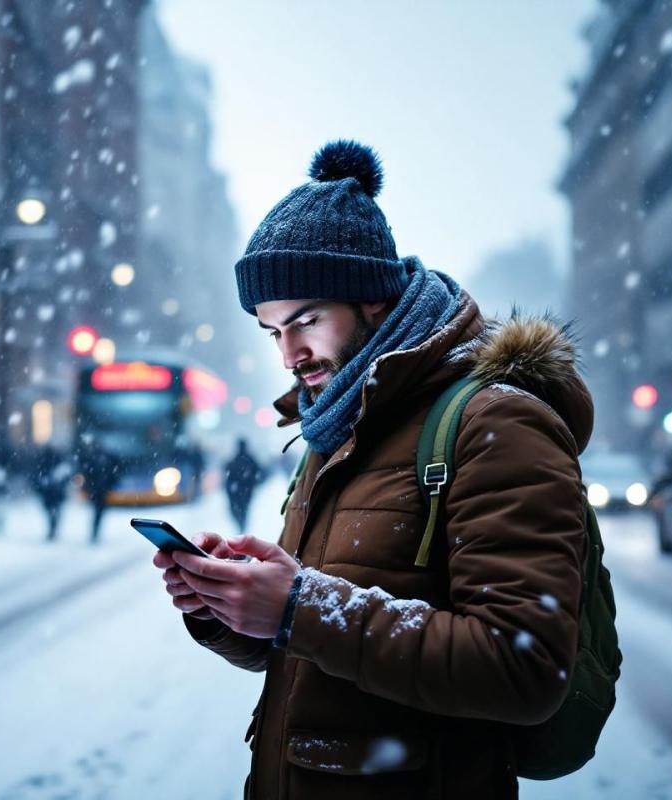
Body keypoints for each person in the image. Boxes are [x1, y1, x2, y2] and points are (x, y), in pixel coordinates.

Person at [153, 141, 591, 798]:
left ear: (375, 303)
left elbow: (523, 669)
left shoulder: (495, 424)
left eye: (305, 320)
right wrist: (231, 604)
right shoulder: (336, 426)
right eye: (272, 331)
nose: (289, 355)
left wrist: (298, 605)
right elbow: (311, 645)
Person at [77, 447, 119, 545]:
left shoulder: (95, 460)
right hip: (99, 491)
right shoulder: (104, 461)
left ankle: (95, 531)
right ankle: (95, 531)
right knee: (98, 512)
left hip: (98, 491)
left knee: (98, 512)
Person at [30, 445, 71, 541]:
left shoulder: (43, 461)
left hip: (50, 493)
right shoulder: (57, 461)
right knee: (54, 512)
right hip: (53, 493)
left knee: (51, 512)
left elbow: (35, 476)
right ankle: (53, 528)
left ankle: (52, 529)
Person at [223, 438, 264, 533]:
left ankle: (242, 526)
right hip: (244, 490)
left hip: (240, 490)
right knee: (242, 510)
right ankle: (242, 525)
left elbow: (228, 472)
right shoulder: (247, 459)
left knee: (239, 510)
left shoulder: (238, 459)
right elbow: (258, 472)